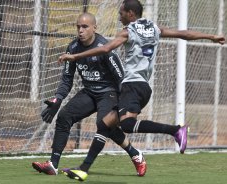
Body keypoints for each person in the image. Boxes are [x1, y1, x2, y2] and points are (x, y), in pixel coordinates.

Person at [58, 0, 226, 181]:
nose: (119, 16)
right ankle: (83, 169)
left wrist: (74, 56)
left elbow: (105, 48)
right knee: (105, 124)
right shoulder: (154, 28)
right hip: (142, 86)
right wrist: (211, 37)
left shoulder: (128, 31)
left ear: (130, 14)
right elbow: (183, 33)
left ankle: (176, 130)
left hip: (132, 85)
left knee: (127, 125)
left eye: (121, 13)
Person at [31, 12, 146, 179]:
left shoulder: (105, 48)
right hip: (89, 92)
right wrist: (58, 98)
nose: (80, 30)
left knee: (104, 124)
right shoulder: (72, 48)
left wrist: (126, 103)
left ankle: (136, 155)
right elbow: (67, 80)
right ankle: (53, 165)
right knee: (64, 116)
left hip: (109, 93)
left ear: (94, 28)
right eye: (78, 27)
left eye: (85, 27)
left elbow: (121, 78)